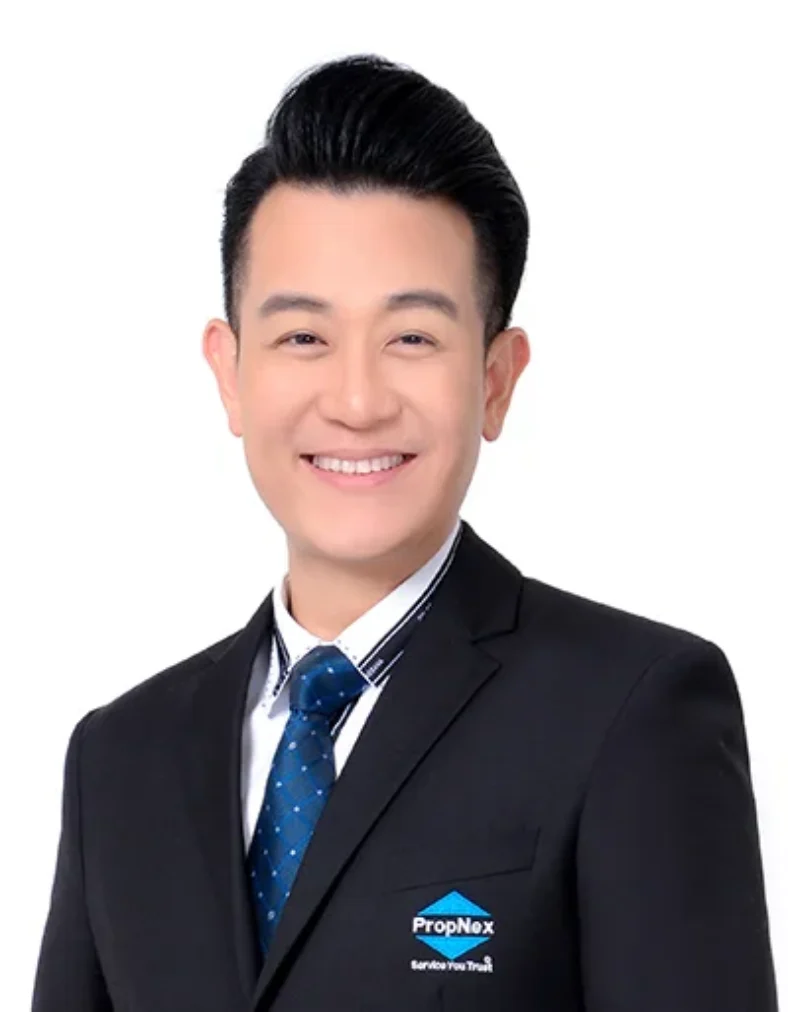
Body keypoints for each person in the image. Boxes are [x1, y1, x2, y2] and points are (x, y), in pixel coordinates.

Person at [31, 53, 778, 1012]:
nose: (356, 401)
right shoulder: (119, 758)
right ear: (230, 372)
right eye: (304, 337)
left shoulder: (634, 713)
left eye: (412, 338)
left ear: (496, 380)